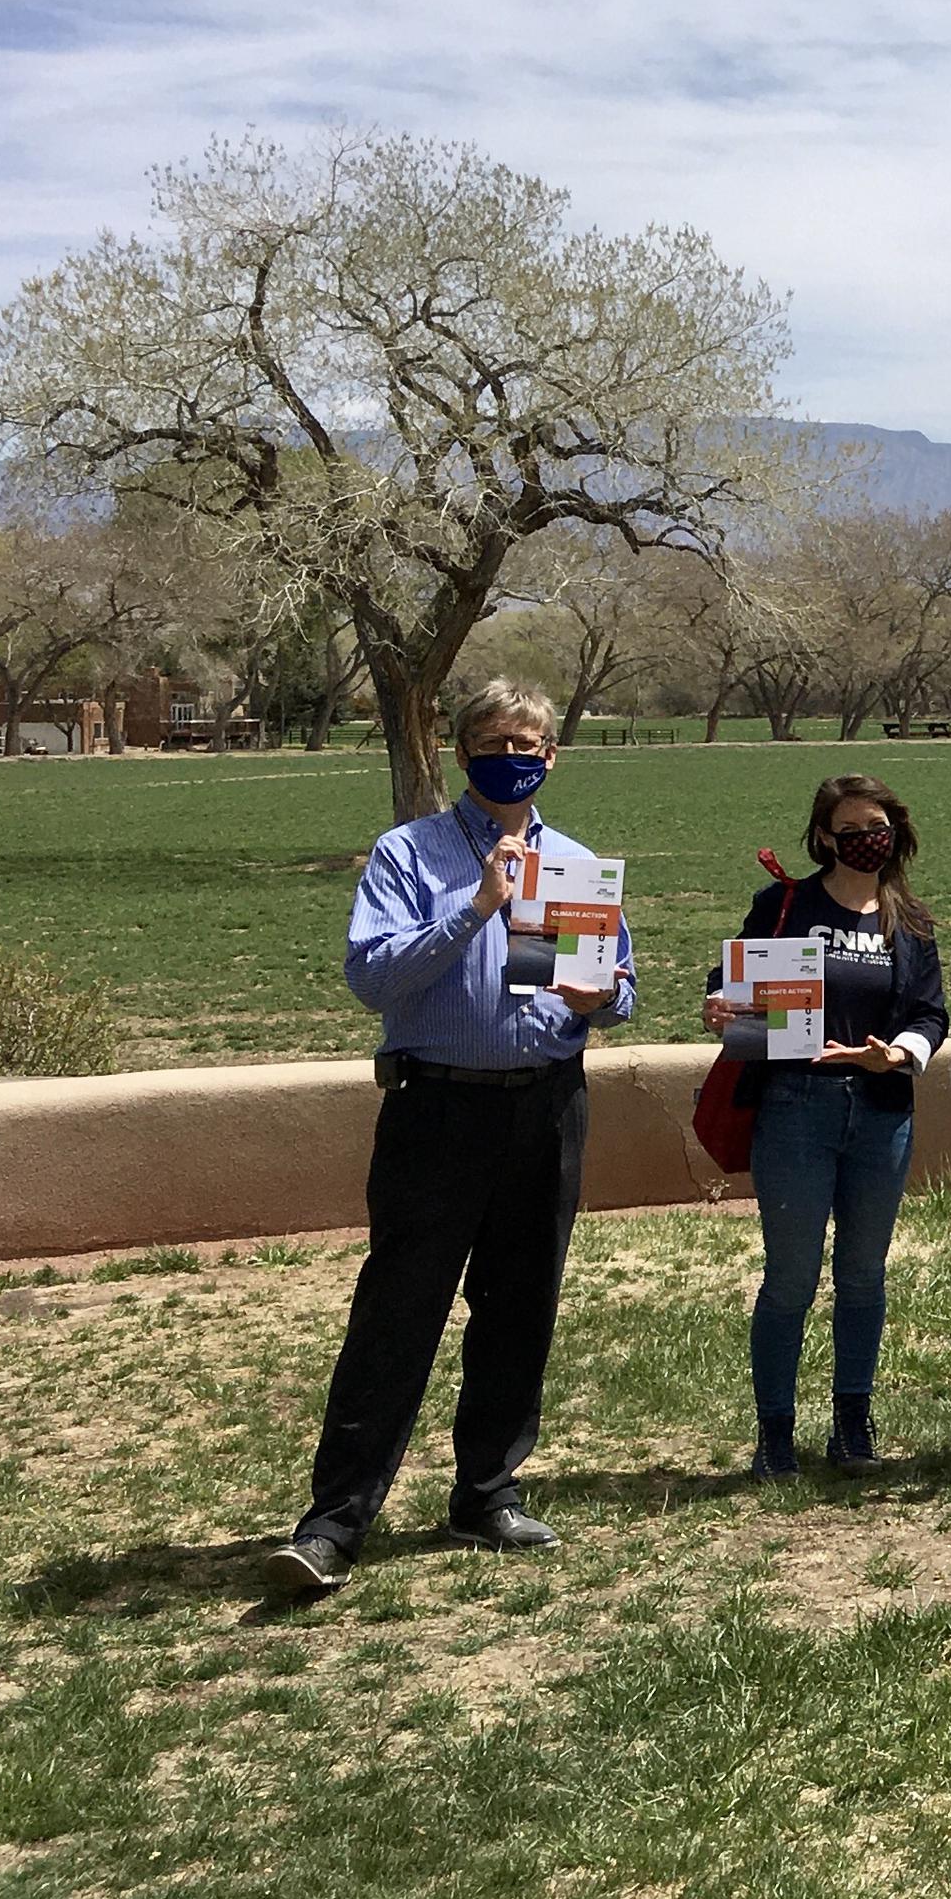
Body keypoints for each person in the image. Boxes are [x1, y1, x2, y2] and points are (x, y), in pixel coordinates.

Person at [268, 681, 635, 1598]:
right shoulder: (408, 853)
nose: (512, 752)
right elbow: (371, 978)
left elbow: (616, 988)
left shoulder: (581, 865)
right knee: (398, 1313)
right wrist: (475, 906)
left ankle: (487, 1493)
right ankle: (334, 1524)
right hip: (437, 1110)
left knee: (519, 1307)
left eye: (529, 741)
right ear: (461, 749)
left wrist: (605, 997)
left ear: (553, 756)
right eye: (492, 738)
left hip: (546, 1105)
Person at [703, 773, 949, 1481]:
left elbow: (931, 1014)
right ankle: (774, 1433)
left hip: (880, 1113)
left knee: (864, 1276)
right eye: (852, 830)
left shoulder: (912, 921)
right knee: (790, 1278)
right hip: (795, 1109)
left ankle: (853, 1424)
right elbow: (728, 988)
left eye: (879, 827)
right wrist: (721, 1007)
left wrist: (897, 1053)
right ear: (823, 838)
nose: (869, 840)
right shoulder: (786, 905)